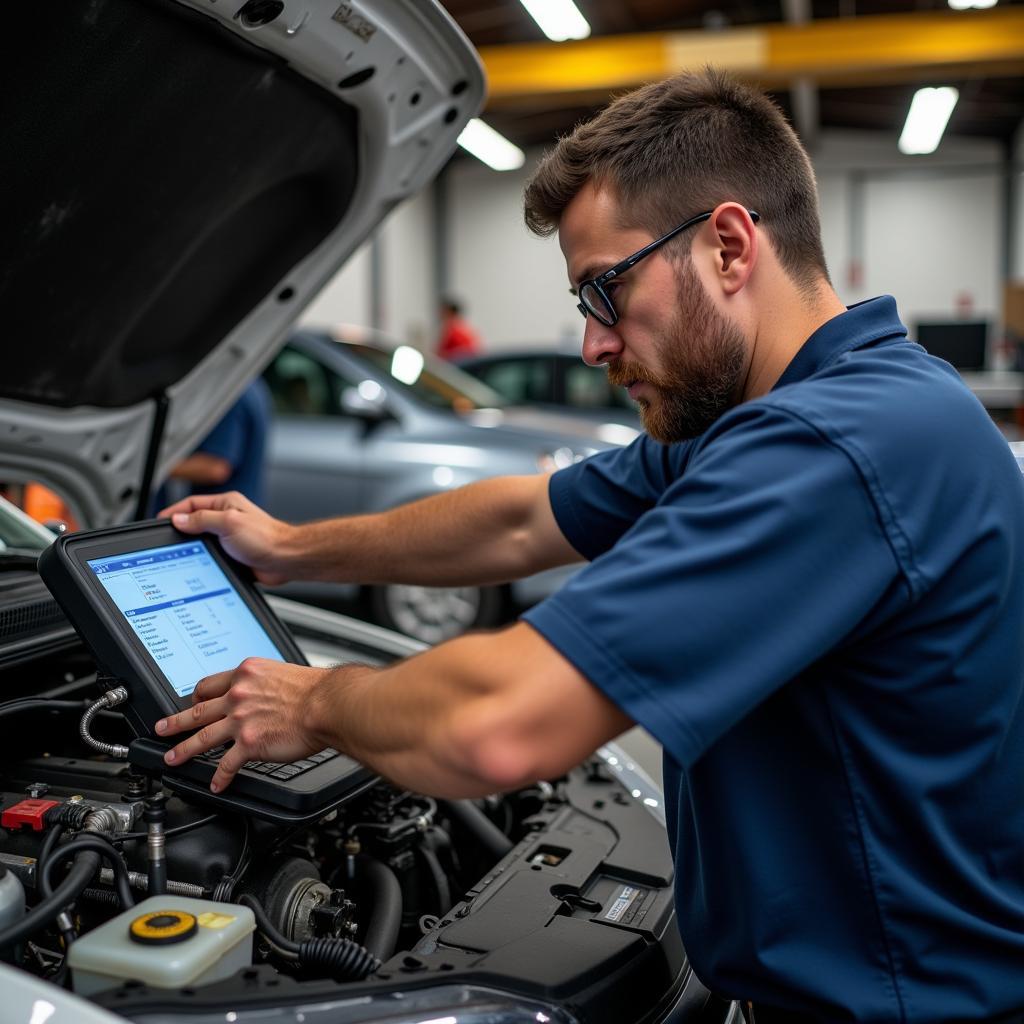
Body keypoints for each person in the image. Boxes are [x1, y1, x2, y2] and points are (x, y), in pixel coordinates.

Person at [157, 69, 1024, 1023]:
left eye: (604, 290)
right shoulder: (804, 411)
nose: (591, 344)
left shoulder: (829, 448)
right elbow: (523, 517)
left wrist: (315, 700)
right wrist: (292, 548)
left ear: (729, 246)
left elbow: (497, 725)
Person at [160, 379, 272, 509]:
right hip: (237, 512)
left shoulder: (228, 392)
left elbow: (215, 467)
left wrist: (155, 468)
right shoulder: (251, 383)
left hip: (221, 515)